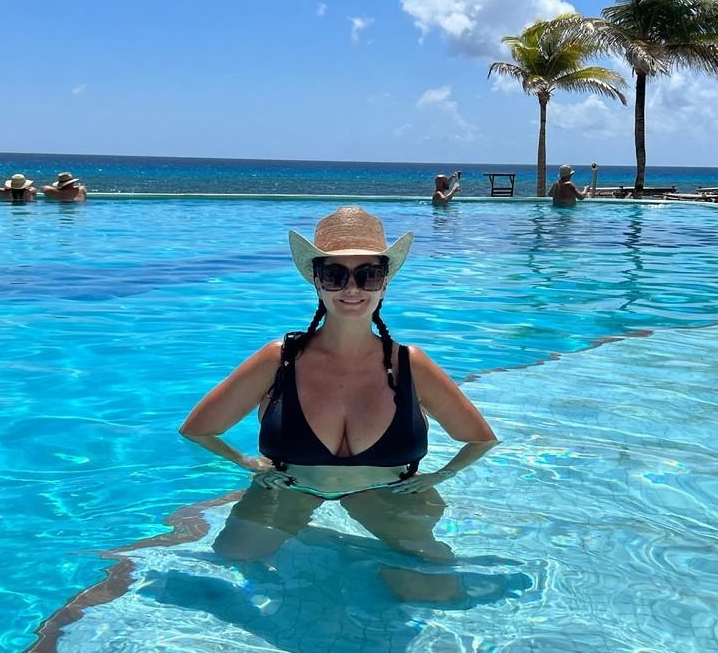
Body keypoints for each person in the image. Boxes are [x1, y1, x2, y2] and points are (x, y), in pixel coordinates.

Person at [179, 206, 497, 566]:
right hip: (292, 490)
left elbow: (481, 439)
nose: (351, 288)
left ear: (384, 283)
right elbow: (197, 430)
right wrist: (247, 463)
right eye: (335, 275)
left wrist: (441, 476)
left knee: (432, 582)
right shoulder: (280, 359)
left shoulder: (409, 364)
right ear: (317, 282)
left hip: (387, 496)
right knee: (233, 558)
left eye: (368, 275)